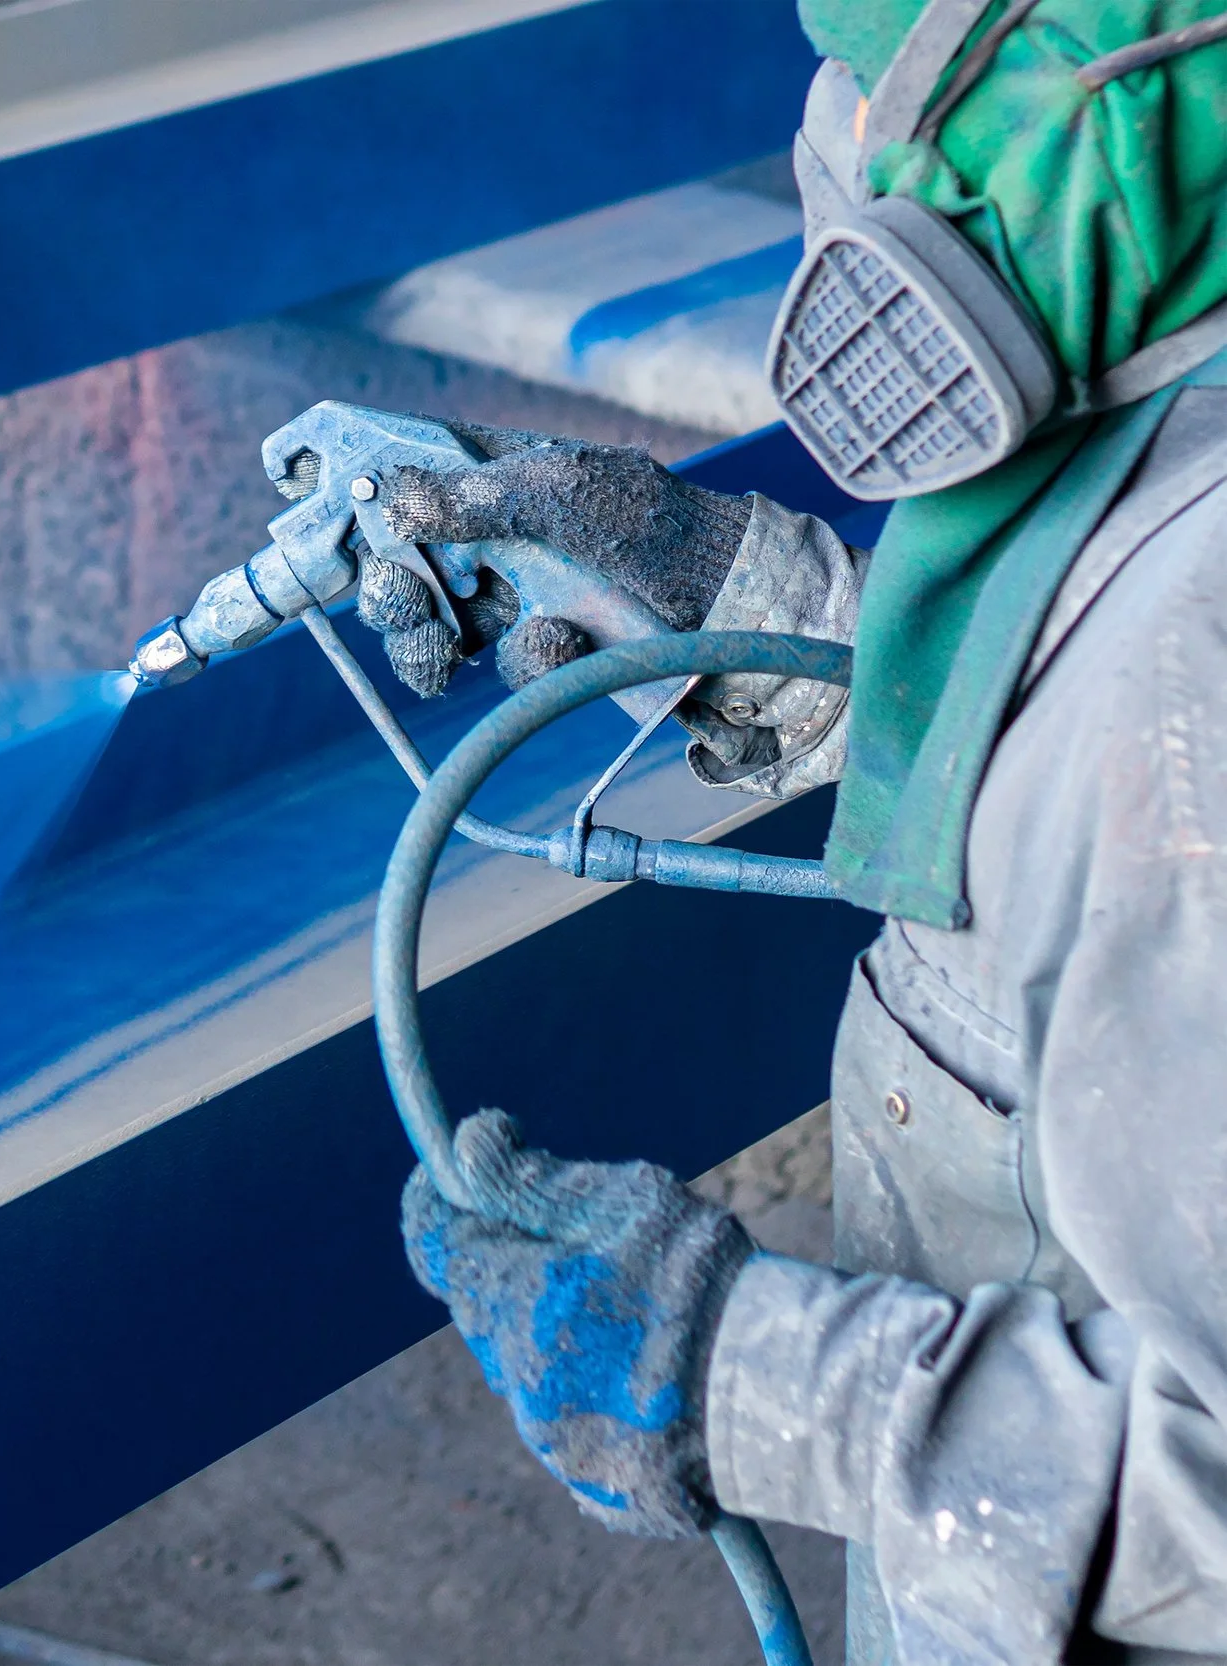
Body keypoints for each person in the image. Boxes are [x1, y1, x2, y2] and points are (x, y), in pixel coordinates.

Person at [368, 3, 1227, 1661]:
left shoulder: (1199, 684)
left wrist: (736, 1368)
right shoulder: (1166, 380)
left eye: (886, 67)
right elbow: (1082, 824)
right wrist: (737, 605)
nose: (845, 124)